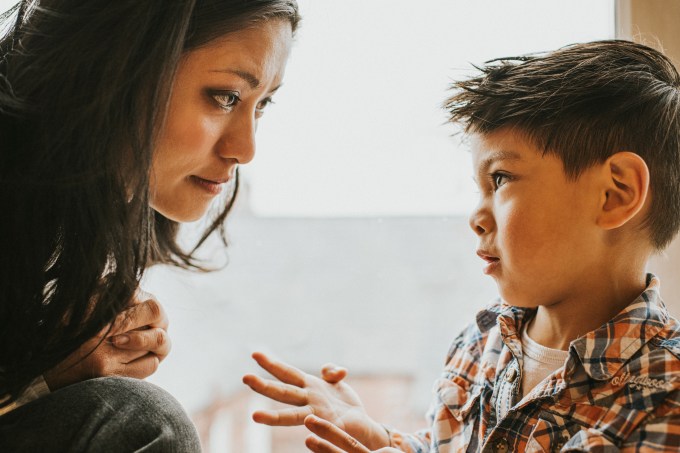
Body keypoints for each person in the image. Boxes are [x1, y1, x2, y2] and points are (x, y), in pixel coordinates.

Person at [243, 39, 680, 452]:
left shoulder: (666, 392)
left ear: (614, 194)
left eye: (501, 179)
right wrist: (380, 439)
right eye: (479, 188)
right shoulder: (481, 341)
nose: (476, 217)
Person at [0, 0, 299, 451]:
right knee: (145, 419)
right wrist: (38, 375)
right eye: (225, 97)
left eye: (263, 105)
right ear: (121, 62)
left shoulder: (88, 221)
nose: (246, 148)